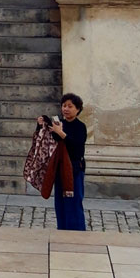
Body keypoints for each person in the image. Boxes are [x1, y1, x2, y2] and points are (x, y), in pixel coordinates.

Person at [38, 94, 87, 231]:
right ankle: (63, 231)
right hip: (60, 169)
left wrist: (61, 133)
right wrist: (42, 124)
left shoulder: (80, 126)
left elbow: (77, 147)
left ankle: (77, 234)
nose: (66, 109)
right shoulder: (59, 124)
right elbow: (48, 138)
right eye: (64, 106)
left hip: (74, 169)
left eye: (70, 106)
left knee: (73, 202)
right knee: (60, 203)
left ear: (78, 109)